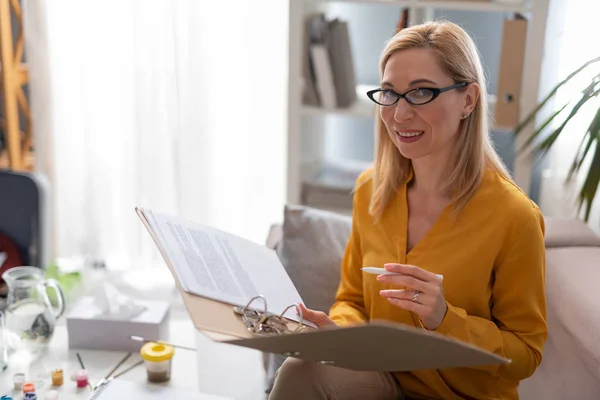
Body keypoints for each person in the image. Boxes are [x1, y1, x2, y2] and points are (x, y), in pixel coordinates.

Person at [268, 19, 547, 400]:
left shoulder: (515, 217)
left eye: (421, 93)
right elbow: (352, 299)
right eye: (389, 93)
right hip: (384, 381)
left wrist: (445, 320)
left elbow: (527, 355)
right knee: (299, 371)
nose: (398, 115)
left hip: (463, 396)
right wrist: (339, 333)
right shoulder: (372, 190)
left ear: (468, 99)